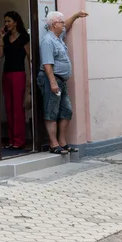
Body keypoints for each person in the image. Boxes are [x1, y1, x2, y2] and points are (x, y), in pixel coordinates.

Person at [38, 9, 88, 155]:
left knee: (66, 111)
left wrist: (76, 16)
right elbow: (47, 64)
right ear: (54, 24)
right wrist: (53, 83)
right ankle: (53, 144)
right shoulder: (48, 41)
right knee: (51, 112)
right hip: (52, 80)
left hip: (61, 81)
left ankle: (62, 142)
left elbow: (67, 25)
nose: (63, 24)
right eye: (61, 22)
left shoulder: (58, 37)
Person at [0, 11, 31, 150]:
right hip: (6, 74)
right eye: (5, 21)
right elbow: (0, 55)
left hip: (19, 74)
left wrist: (31, 77)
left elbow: (30, 57)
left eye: (9, 21)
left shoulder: (24, 37)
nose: (6, 24)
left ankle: (19, 140)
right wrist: (0, 38)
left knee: (18, 108)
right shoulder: (6, 38)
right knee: (8, 107)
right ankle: (11, 139)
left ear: (15, 22)